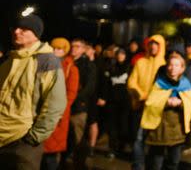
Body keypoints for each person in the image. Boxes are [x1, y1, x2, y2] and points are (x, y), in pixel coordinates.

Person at [0, 15, 66, 170]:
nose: (16, 31)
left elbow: (55, 104)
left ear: (36, 33)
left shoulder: (47, 61)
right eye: (15, 28)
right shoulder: (9, 59)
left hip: (22, 143)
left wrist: (34, 137)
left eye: (24, 29)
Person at [141, 50, 191, 170]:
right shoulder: (159, 83)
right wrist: (166, 102)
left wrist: (181, 103)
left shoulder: (186, 84)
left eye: (176, 65)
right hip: (159, 130)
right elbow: (150, 103)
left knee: (173, 162)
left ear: (182, 68)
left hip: (177, 131)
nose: (172, 68)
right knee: (156, 163)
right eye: (170, 65)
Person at [127, 34, 166, 170]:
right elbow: (132, 82)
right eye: (151, 44)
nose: (153, 46)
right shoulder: (140, 62)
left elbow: (163, 88)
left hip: (156, 110)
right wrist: (142, 96)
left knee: (155, 141)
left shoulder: (165, 66)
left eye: (156, 44)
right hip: (140, 107)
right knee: (138, 140)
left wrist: (150, 99)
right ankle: (138, 165)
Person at [41, 38, 80, 170]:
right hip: (42, 111)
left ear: (65, 50)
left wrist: (60, 109)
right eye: (54, 48)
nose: (56, 51)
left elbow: (71, 93)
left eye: (60, 48)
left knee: (51, 153)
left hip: (59, 114)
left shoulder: (71, 68)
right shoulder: (46, 64)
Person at [67, 38, 97, 168]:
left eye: (77, 46)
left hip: (78, 107)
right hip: (64, 106)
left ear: (84, 49)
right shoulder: (67, 62)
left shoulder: (88, 66)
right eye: (72, 46)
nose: (74, 49)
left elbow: (89, 88)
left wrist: (75, 98)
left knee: (77, 138)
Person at [99, 47, 131, 158]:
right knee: (112, 126)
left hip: (125, 102)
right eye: (118, 54)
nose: (120, 56)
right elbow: (106, 85)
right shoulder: (111, 67)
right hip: (112, 101)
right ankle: (112, 149)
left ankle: (121, 147)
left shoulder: (130, 68)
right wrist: (104, 97)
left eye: (122, 54)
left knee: (123, 126)